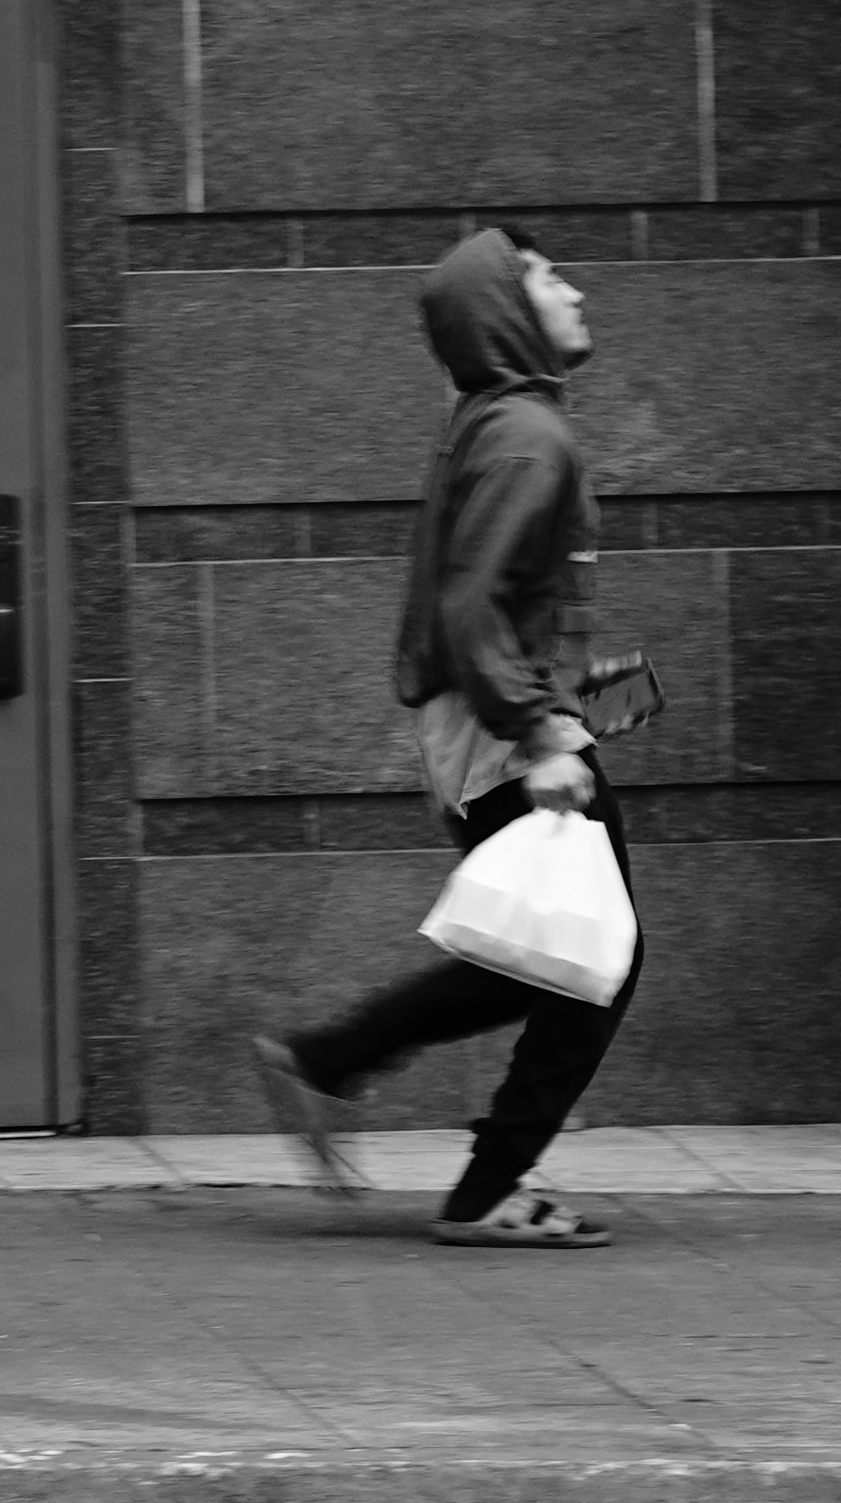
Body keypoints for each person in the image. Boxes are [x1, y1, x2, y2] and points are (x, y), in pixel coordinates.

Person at [252, 225, 641, 1247]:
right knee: (589, 956)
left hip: (491, 711)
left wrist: (575, 680)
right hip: (500, 720)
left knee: (553, 953)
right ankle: (479, 1182)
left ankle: (338, 1064)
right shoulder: (527, 436)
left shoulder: (503, 421)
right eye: (550, 275)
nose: (574, 287)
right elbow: (471, 606)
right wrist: (543, 732)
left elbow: (497, 596)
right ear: (509, 309)